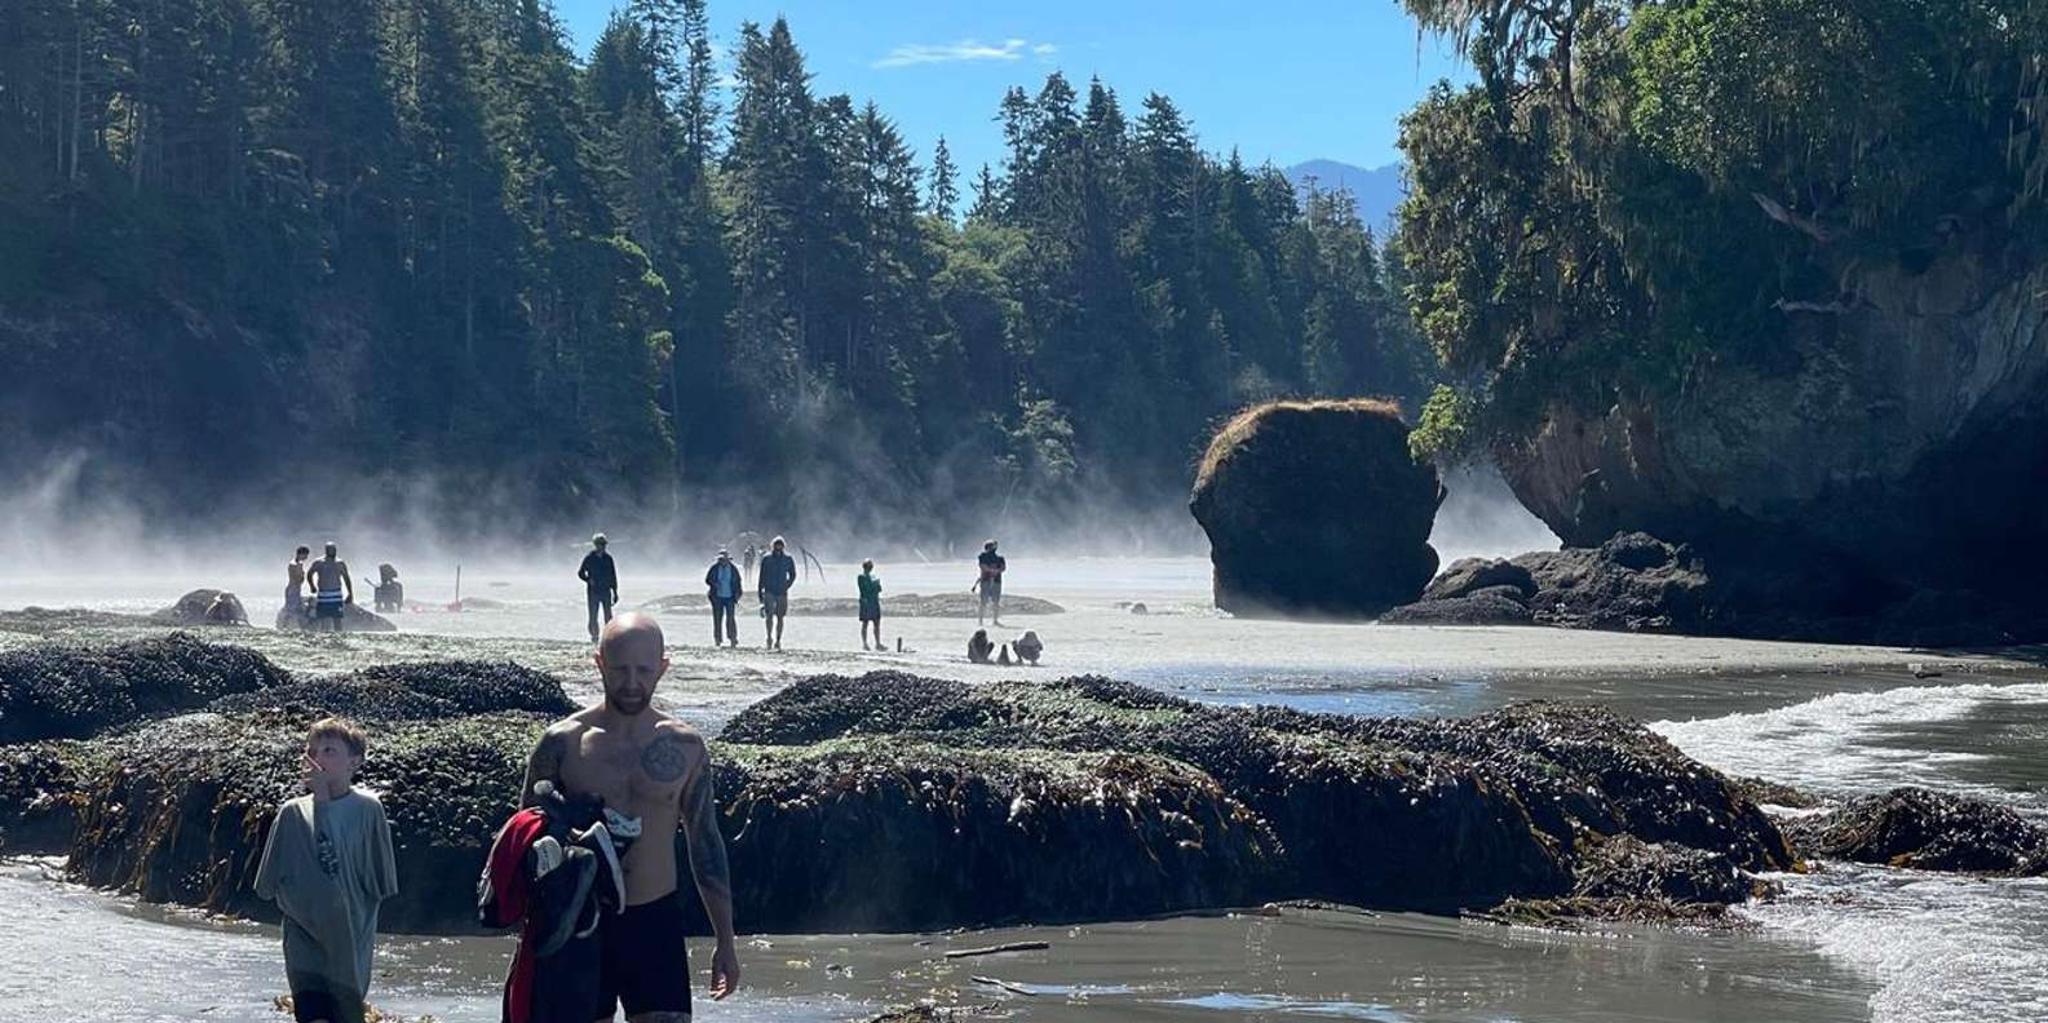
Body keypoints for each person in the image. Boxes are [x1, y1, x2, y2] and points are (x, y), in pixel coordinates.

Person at [518, 614, 741, 1021]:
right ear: (600, 663)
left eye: (644, 670)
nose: (632, 682)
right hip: (580, 923)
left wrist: (725, 940)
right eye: (620, 669)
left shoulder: (686, 747)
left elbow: (706, 845)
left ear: (663, 667)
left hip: (655, 921)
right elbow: (523, 842)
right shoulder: (562, 743)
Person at [254, 717, 400, 1023]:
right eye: (312, 751)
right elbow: (266, 885)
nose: (317, 758)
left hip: (349, 942)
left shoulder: (369, 810)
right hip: (303, 942)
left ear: (354, 762)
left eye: (329, 751)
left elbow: (378, 882)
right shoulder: (292, 813)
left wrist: (322, 800)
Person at [756, 537, 797, 650]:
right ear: (773, 546)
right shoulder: (767, 559)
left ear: (783, 546)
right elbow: (761, 576)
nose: (778, 547)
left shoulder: (788, 559)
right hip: (769, 590)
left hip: (782, 592)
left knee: (780, 617)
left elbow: (793, 574)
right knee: (769, 616)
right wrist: (760, 592)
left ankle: (778, 640)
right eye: (776, 545)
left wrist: (787, 585)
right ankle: (769, 637)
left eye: (780, 545)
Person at [578, 533, 619, 643]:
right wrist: (588, 580)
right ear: (596, 545)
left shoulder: (608, 558)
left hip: (606, 591)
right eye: (601, 544)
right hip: (593, 591)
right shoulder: (589, 558)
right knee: (593, 616)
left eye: (604, 544)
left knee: (608, 616)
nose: (603, 546)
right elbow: (580, 573)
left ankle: (608, 638)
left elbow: (613, 576)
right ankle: (594, 637)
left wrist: (615, 592)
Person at [307, 542, 354, 633]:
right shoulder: (319, 562)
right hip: (323, 595)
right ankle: (324, 636)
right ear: (326, 550)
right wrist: (312, 586)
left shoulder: (340, 563)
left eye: (334, 550)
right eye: (330, 549)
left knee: (337, 619)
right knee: (323, 619)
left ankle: (339, 636)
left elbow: (346, 578)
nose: (333, 551)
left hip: (336, 595)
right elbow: (310, 573)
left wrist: (350, 594)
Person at [704, 550, 744, 647]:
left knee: (730, 619)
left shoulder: (733, 569)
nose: (723, 561)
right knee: (717, 619)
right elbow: (707, 580)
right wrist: (714, 584)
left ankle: (732, 638)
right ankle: (718, 639)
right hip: (717, 597)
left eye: (724, 559)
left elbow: (738, 582)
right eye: (721, 559)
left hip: (730, 597)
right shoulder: (714, 568)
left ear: (728, 559)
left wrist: (738, 595)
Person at [975, 540, 1007, 627]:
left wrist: (996, 571)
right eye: (992, 546)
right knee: (983, 601)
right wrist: (992, 571)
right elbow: (982, 566)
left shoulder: (1000, 558)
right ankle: (980, 621)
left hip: (996, 581)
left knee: (996, 602)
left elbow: (1003, 568)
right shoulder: (983, 556)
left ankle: (995, 620)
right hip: (986, 581)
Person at [856, 559, 883, 651]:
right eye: (869, 566)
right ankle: (865, 644)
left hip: (874, 601)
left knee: (877, 623)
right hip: (866, 602)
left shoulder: (873, 577)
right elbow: (863, 589)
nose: (870, 568)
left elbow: (879, 589)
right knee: (865, 623)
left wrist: (877, 585)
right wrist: (874, 585)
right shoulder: (861, 577)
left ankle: (878, 643)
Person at [286, 546, 311, 617]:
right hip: (293, 589)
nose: (306, 557)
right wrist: (302, 575)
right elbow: (297, 579)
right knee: (292, 610)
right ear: (301, 554)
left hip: (295, 589)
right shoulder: (295, 564)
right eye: (306, 555)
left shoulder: (298, 563)